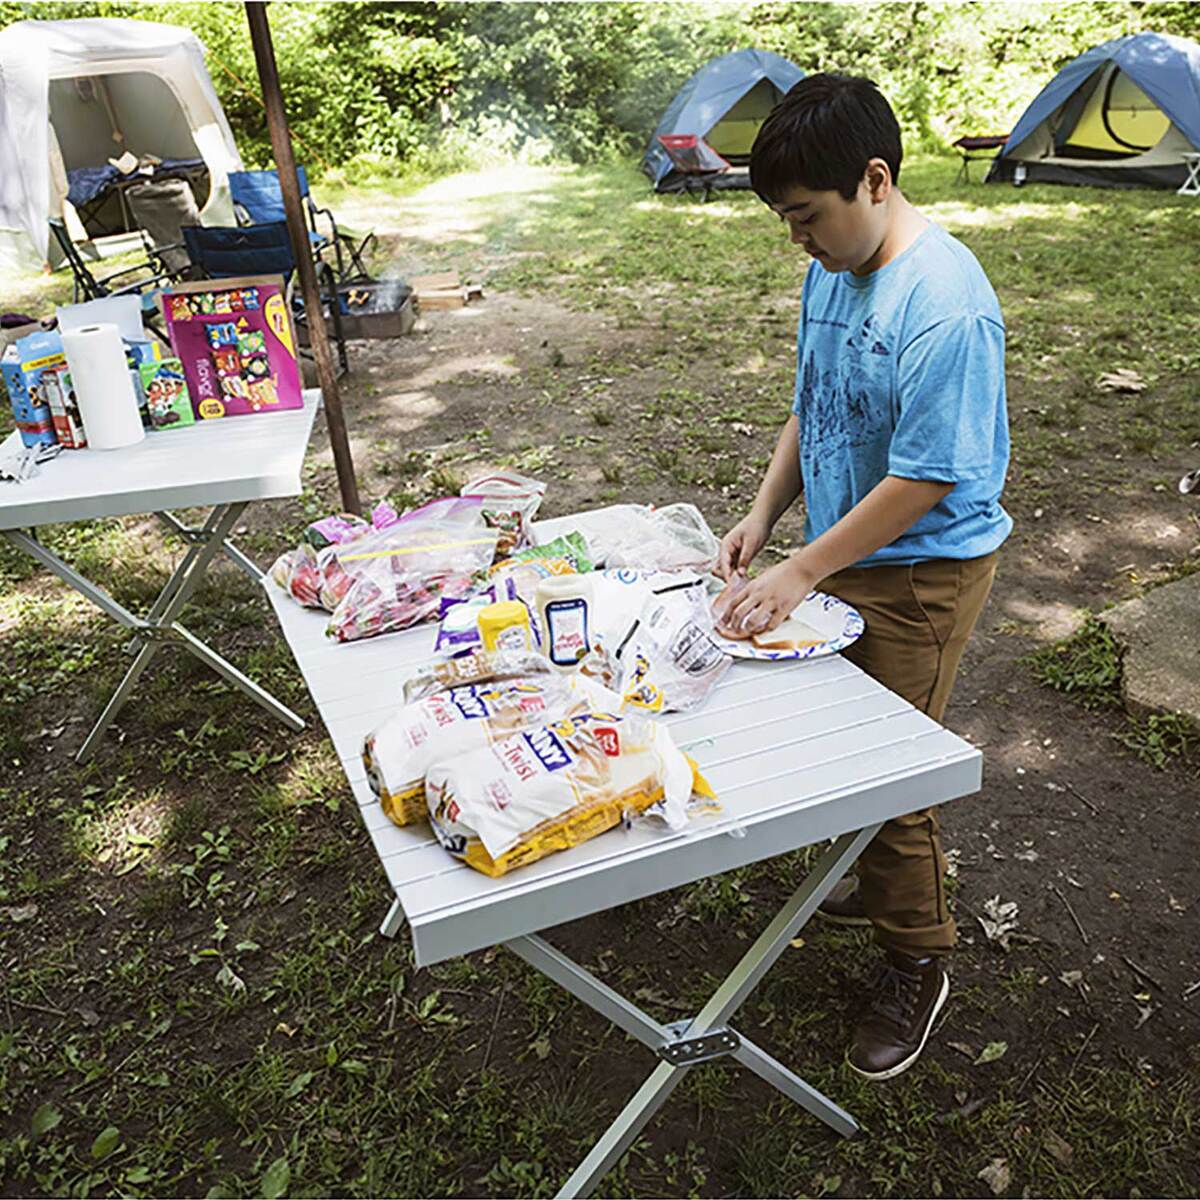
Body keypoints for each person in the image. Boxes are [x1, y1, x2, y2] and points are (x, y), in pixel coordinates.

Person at [713, 73, 1011, 1081]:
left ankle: (918, 958)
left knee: (893, 773)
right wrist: (766, 516)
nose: (798, 239)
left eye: (806, 217)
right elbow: (815, 398)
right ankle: (866, 872)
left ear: (874, 179)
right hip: (840, 551)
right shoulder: (833, 268)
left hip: (920, 569)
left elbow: (928, 475)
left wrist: (802, 568)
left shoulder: (946, 304)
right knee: (835, 736)